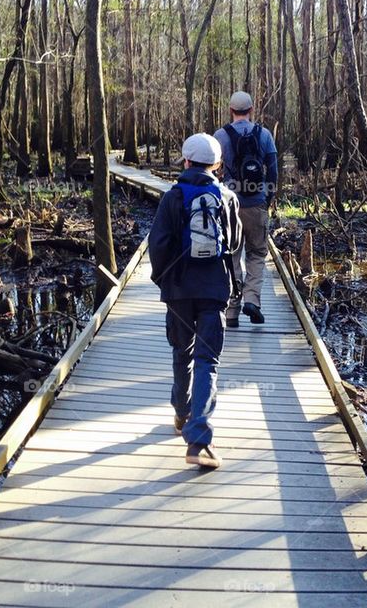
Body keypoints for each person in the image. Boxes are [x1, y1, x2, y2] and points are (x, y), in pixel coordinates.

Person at [148, 133, 242, 469]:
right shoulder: (227, 197)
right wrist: (236, 285)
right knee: (207, 361)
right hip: (214, 289)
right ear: (216, 164)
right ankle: (198, 440)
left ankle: (181, 412)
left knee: (181, 352)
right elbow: (235, 245)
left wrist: (162, 279)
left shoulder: (172, 197)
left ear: (186, 161)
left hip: (179, 289)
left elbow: (158, 244)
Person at [214, 91, 278, 328]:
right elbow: (273, 171)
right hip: (256, 203)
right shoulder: (265, 135)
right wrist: (267, 199)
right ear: (251, 110)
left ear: (231, 110)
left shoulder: (220, 136)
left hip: (229, 206)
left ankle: (232, 311)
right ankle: (252, 300)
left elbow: (211, 171)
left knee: (231, 254)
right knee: (257, 254)